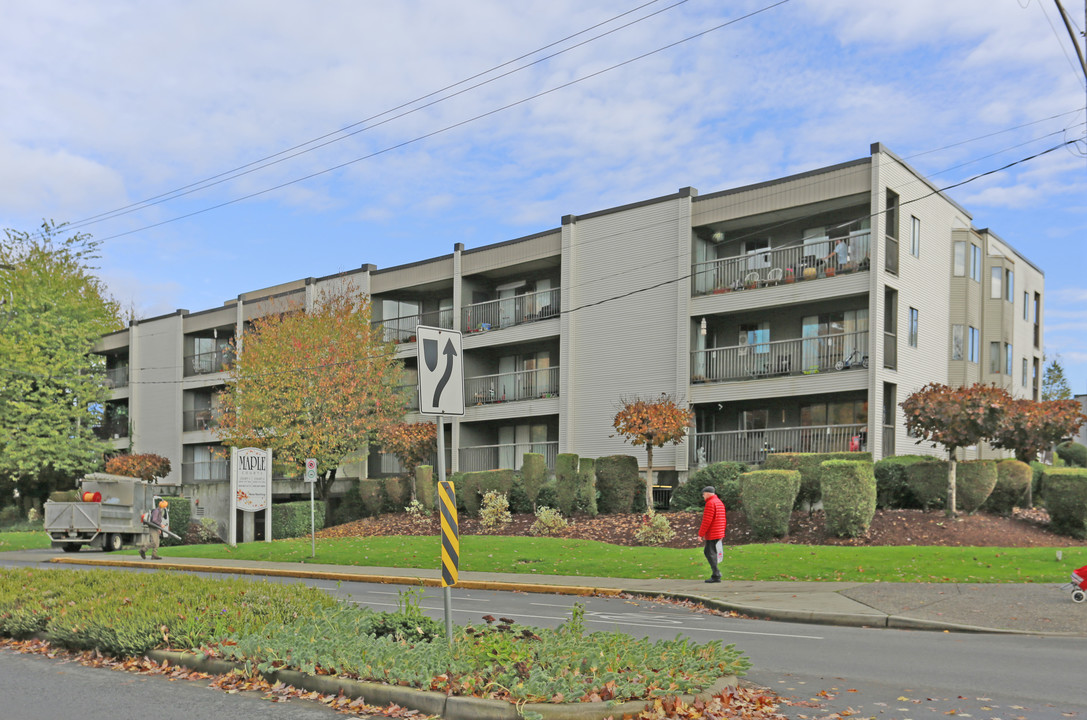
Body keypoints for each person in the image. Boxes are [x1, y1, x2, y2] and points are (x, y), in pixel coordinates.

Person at [698, 486, 727, 583]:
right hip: (718, 532)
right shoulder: (719, 502)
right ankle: (716, 573)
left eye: (703, 494)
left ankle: (716, 574)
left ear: (707, 493)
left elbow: (706, 521)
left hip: (712, 533)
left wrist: (700, 534)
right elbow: (723, 519)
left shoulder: (710, 503)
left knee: (709, 553)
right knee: (710, 552)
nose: (703, 496)